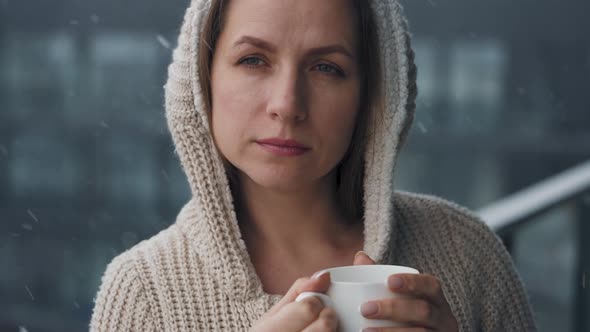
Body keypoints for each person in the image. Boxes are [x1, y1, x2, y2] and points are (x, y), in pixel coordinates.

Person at [90, 0, 537, 331]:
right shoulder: (142, 293)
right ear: (202, 80)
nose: (287, 105)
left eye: (326, 67)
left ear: (372, 98)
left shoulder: (467, 254)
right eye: (253, 60)